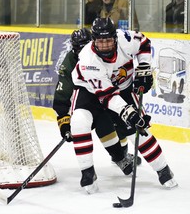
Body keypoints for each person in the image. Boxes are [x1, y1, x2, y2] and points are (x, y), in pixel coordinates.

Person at [71, 17, 178, 193]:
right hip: (89, 91)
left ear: (115, 37)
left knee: (138, 128)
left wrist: (144, 65)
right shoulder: (87, 60)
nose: (104, 45)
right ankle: (87, 173)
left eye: (108, 40)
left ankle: (163, 169)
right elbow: (107, 96)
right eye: (100, 41)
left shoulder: (125, 39)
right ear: (93, 41)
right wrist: (126, 111)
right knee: (79, 122)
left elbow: (144, 43)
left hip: (123, 88)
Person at [53, 28, 143, 193]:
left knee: (119, 123)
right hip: (87, 102)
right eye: (78, 47)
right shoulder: (71, 62)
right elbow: (61, 97)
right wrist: (64, 124)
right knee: (101, 122)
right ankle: (116, 159)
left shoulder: (102, 53)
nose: (82, 50)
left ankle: (120, 156)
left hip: (109, 96)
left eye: (85, 45)